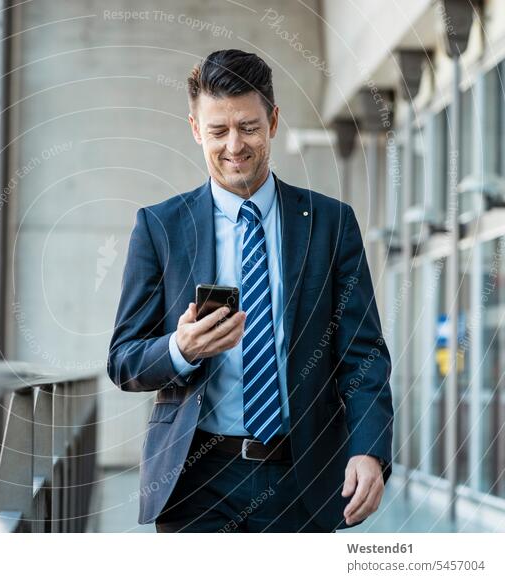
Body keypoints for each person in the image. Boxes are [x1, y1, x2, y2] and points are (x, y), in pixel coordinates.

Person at [107, 49, 393, 533]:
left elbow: (362, 354)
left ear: (274, 121)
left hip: (300, 478)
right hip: (194, 481)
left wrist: (368, 449)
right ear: (196, 130)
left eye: (249, 127)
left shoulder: (330, 223)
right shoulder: (160, 227)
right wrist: (181, 348)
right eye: (218, 131)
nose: (234, 146)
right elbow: (123, 360)